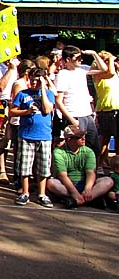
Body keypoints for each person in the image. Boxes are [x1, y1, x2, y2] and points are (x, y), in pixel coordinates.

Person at [9, 68, 55, 207]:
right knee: (25, 166)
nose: (34, 83)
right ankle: (25, 192)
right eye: (32, 80)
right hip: (26, 135)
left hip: (44, 135)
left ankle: (42, 194)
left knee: (43, 167)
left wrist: (43, 88)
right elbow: (11, 111)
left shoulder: (48, 93)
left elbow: (47, 109)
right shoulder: (23, 94)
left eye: (37, 81)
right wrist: (27, 111)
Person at [47, 125, 113, 208]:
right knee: (51, 183)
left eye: (83, 136)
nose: (83, 139)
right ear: (69, 139)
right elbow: (62, 175)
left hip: (85, 184)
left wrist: (88, 189)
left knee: (108, 181)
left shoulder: (88, 151)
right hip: (66, 185)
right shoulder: (58, 152)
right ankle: (89, 200)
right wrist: (74, 193)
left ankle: (77, 200)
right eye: (79, 137)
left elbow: (91, 173)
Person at [54, 46, 99, 158]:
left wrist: (94, 53)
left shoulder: (82, 70)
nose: (80, 60)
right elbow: (59, 101)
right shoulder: (62, 75)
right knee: (75, 150)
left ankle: (91, 173)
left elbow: (104, 69)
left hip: (87, 115)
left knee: (93, 148)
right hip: (74, 115)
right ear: (68, 59)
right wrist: (72, 120)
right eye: (77, 58)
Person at [89, 50, 119, 170]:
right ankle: (100, 163)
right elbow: (110, 72)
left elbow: (113, 71)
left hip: (117, 108)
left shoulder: (115, 73)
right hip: (105, 109)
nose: (108, 63)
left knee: (118, 138)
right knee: (105, 138)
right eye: (105, 61)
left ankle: (116, 164)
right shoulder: (97, 75)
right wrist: (111, 59)